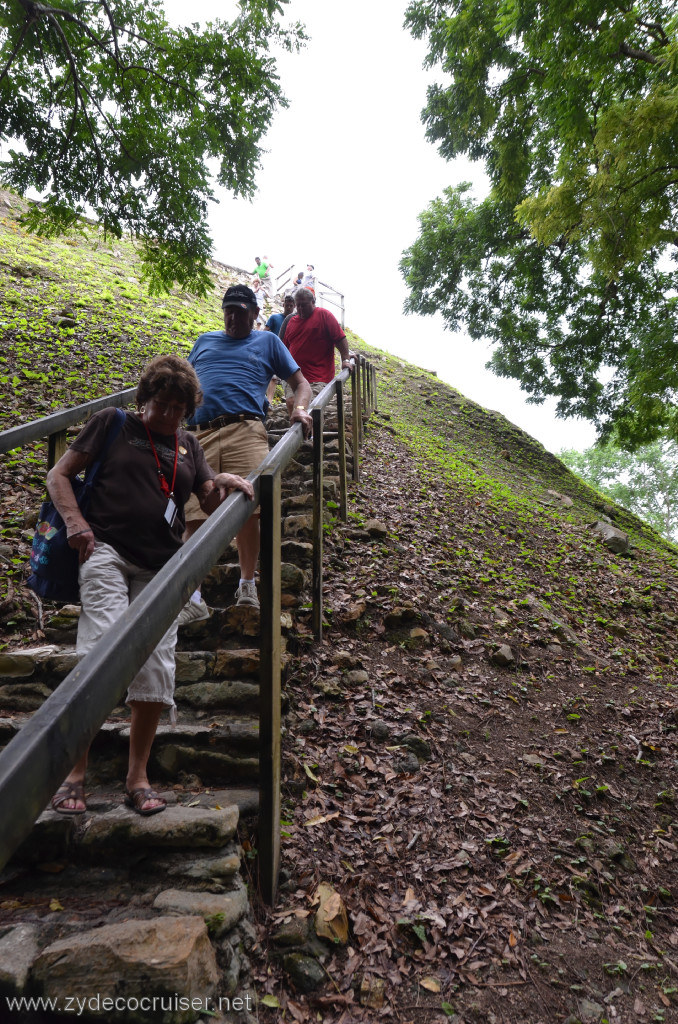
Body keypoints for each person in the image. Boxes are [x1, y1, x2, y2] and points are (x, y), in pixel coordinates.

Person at [46, 355, 254, 816]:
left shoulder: (188, 445)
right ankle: (73, 775)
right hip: (105, 552)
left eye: (180, 408)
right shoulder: (112, 423)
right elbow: (59, 474)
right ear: (145, 399)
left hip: (161, 567)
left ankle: (137, 778)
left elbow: (207, 498)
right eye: (162, 404)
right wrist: (75, 523)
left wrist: (220, 479)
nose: (170, 415)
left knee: (157, 665)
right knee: (99, 651)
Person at [184, 285, 312, 611]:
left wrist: (300, 409)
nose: (232, 317)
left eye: (240, 311)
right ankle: (192, 597)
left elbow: (301, 383)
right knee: (193, 515)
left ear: (255, 314)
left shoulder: (268, 341)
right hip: (199, 436)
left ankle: (247, 584)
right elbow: (182, 385)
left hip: (245, 428)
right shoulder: (204, 341)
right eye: (228, 310)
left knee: (247, 507)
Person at [282, 288, 353, 415]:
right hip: (295, 376)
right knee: (291, 402)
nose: (301, 309)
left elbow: (340, 338)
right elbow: (285, 348)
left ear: (313, 302)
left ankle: (311, 434)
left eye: (304, 305)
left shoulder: (324, 315)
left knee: (309, 407)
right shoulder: (291, 322)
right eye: (298, 306)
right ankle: (300, 433)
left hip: (318, 376)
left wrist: (346, 359)